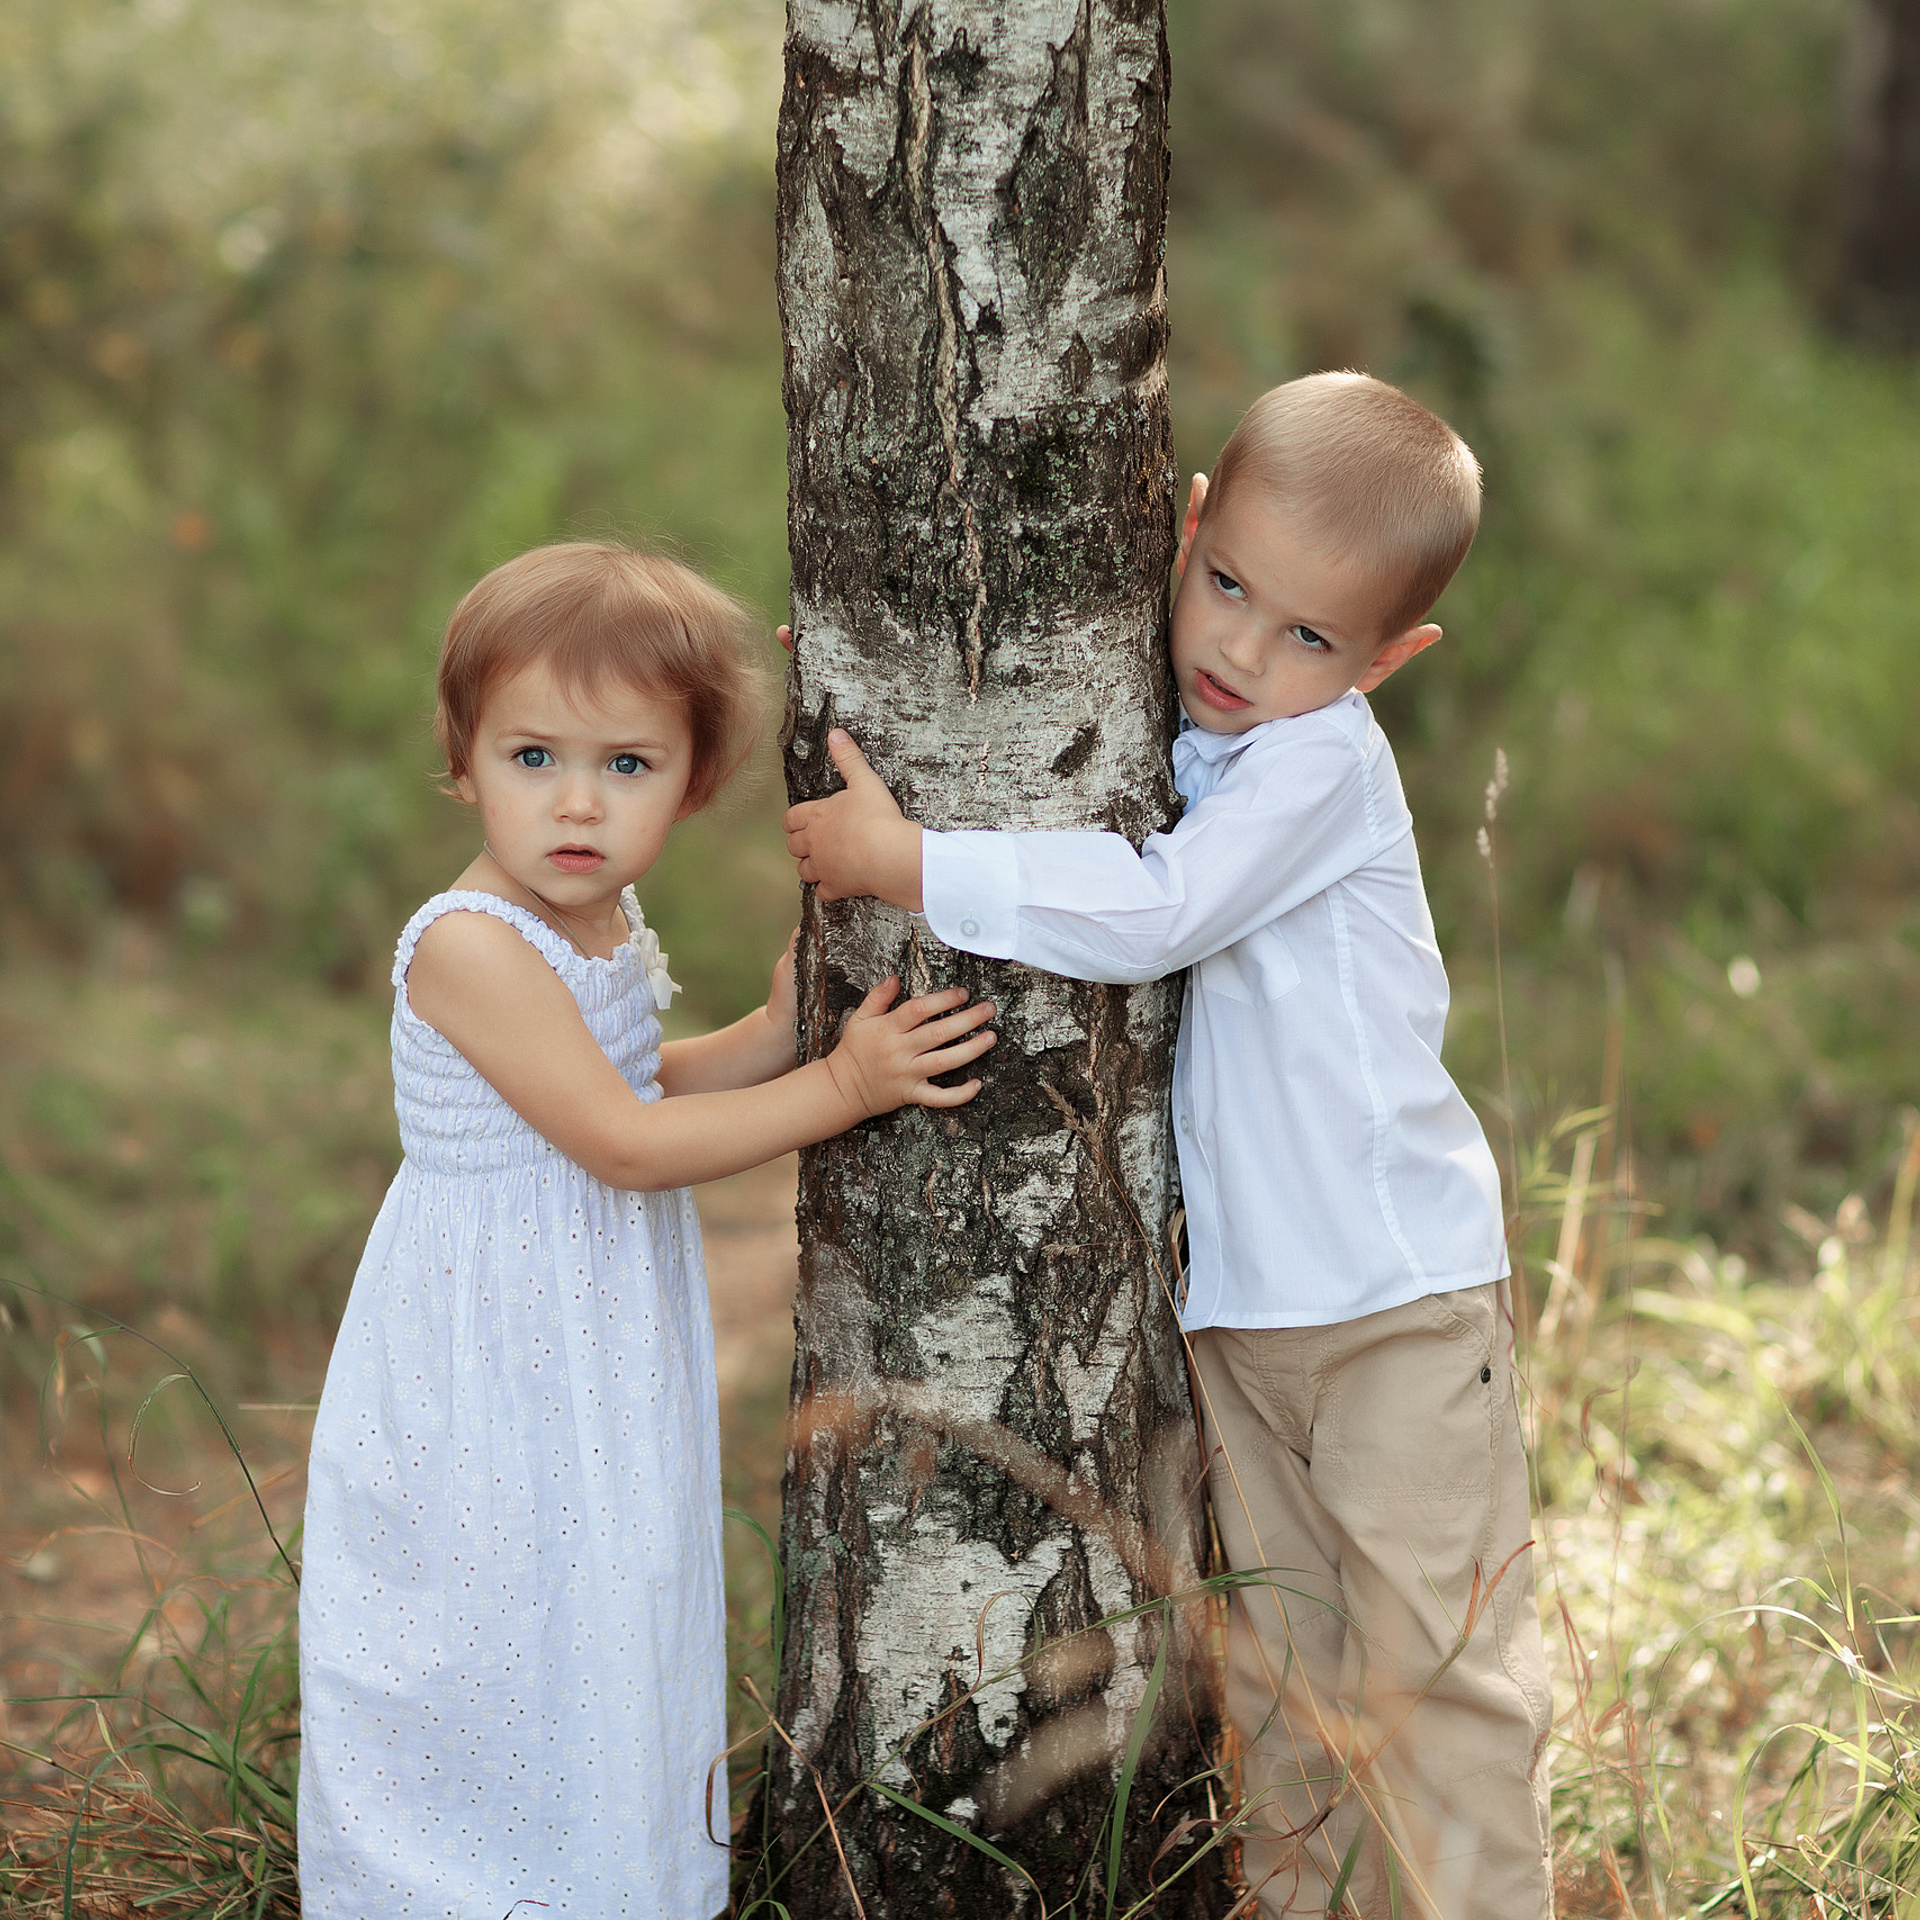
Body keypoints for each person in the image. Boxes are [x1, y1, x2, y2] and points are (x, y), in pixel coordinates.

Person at [779, 374, 1553, 1919]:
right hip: (1245, 1323)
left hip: (1395, 1309)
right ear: (1184, 528)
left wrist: (914, 861)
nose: (1242, 651)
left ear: (1388, 664)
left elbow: (1158, 910)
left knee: (1436, 1670)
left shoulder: (1319, 768)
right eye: (1226, 586)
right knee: (1288, 1681)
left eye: (1311, 639)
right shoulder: (1197, 723)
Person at [297, 542, 997, 1920]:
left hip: (587, 1335)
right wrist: (838, 1086)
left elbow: (635, 1079)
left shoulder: (598, 913)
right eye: (532, 757)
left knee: (603, 1608)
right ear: (463, 760)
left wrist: (777, 1033)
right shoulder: (471, 945)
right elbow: (618, 1145)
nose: (576, 803)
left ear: (692, 782)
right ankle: (454, 1888)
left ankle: (598, 1876)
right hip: (488, 1357)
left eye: (628, 767)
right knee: (489, 1623)